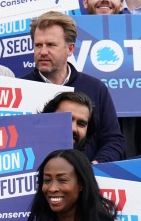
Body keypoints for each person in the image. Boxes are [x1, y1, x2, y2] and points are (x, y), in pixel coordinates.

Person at [20, 12, 125, 163]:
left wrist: (95, 165)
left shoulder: (95, 88)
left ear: (70, 49)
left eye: (51, 45)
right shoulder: (20, 89)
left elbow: (113, 140)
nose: (43, 52)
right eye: (38, 45)